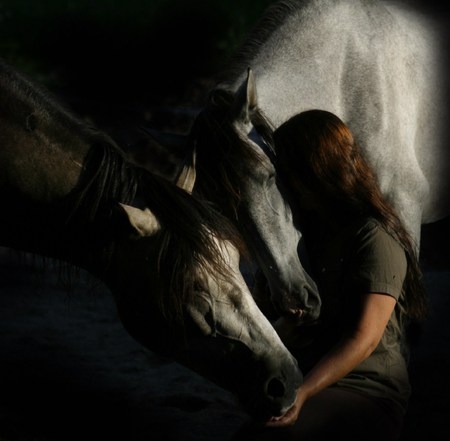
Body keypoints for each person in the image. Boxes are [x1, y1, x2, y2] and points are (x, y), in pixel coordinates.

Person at [235, 110, 428, 441]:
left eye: (289, 172)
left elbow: (363, 340)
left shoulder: (374, 237)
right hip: (311, 376)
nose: (284, 183)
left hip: (366, 388)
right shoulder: (309, 234)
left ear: (317, 169)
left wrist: (302, 394)